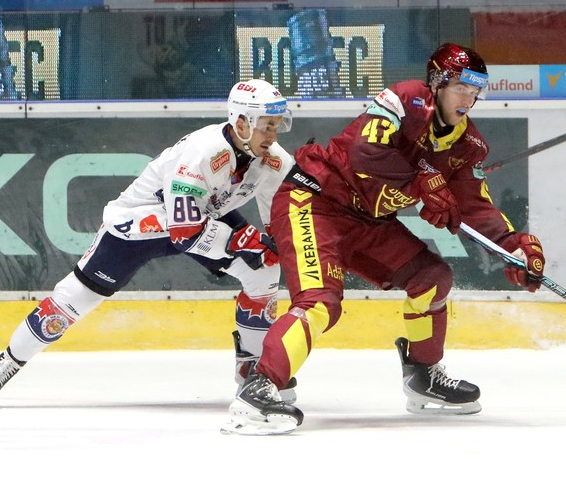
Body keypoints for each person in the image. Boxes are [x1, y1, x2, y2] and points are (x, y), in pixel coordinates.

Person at [222, 43, 546, 435]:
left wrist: (512, 245)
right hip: (314, 201)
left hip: (367, 221)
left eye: (477, 90)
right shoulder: (406, 99)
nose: (470, 98)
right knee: (321, 303)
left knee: (432, 278)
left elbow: (474, 205)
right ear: (438, 83)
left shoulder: (467, 145)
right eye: (462, 87)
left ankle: (423, 377)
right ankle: (259, 389)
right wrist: (420, 181)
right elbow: (365, 152)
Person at [0, 79, 298, 405]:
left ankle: (254, 372)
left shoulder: (272, 158)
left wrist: (278, 246)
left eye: (276, 126)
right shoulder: (200, 153)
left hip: (202, 216)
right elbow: (184, 232)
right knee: (77, 296)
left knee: (263, 270)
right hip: (140, 222)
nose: (272, 136)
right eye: (265, 126)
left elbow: (280, 216)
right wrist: (240, 240)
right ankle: (11, 359)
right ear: (241, 122)